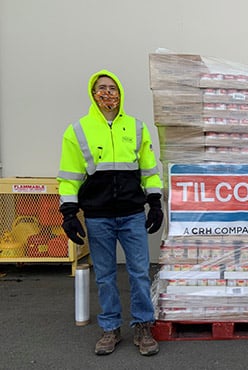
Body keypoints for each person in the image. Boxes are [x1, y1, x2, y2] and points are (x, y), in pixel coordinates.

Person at [57, 70, 164, 356]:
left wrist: (155, 202)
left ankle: (143, 326)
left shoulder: (137, 128)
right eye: (101, 88)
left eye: (112, 88)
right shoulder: (78, 130)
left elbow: (150, 171)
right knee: (104, 275)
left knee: (140, 272)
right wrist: (68, 213)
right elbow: (69, 177)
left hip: (131, 215)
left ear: (121, 94)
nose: (108, 93)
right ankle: (111, 328)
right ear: (93, 94)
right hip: (98, 216)